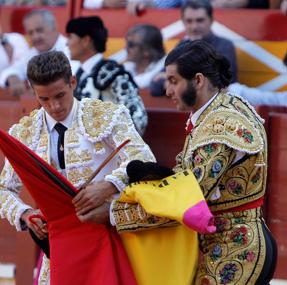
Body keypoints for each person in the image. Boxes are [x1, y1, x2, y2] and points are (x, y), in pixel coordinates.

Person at [106, 40, 277, 284]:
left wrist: (114, 213)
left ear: (198, 80)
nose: (168, 91)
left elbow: (187, 201)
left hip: (235, 247)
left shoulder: (220, 125)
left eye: (174, 81)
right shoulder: (220, 110)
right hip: (228, 240)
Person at [0, 51, 155, 284]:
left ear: (73, 82)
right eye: (44, 99)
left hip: (107, 230)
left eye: (60, 95)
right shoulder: (25, 132)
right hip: (60, 241)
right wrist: (25, 214)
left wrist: (108, 186)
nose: (54, 106)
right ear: (33, 91)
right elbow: (3, 189)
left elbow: (143, 157)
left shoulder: (106, 115)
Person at [66, 16, 148, 135]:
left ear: (86, 40)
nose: (67, 43)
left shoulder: (113, 74)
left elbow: (138, 121)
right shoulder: (79, 74)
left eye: (70, 37)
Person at [150, 0, 238, 96]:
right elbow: (156, 85)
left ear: (211, 20)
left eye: (200, 20)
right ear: (183, 22)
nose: (194, 27)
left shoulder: (224, 45)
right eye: (189, 21)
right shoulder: (182, 45)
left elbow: (220, 85)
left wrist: (174, 80)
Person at [0, 9, 78, 96]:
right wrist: (12, 77)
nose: (35, 37)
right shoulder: (32, 53)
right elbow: (11, 71)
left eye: (39, 30)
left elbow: (70, 78)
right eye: (31, 33)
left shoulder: (70, 49)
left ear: (54, 27)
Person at [123, 24, 165, 89]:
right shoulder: (128, 66)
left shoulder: (164, 66)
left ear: (147, 50)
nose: (125, 48)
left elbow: (142, 83)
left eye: (130, 45)